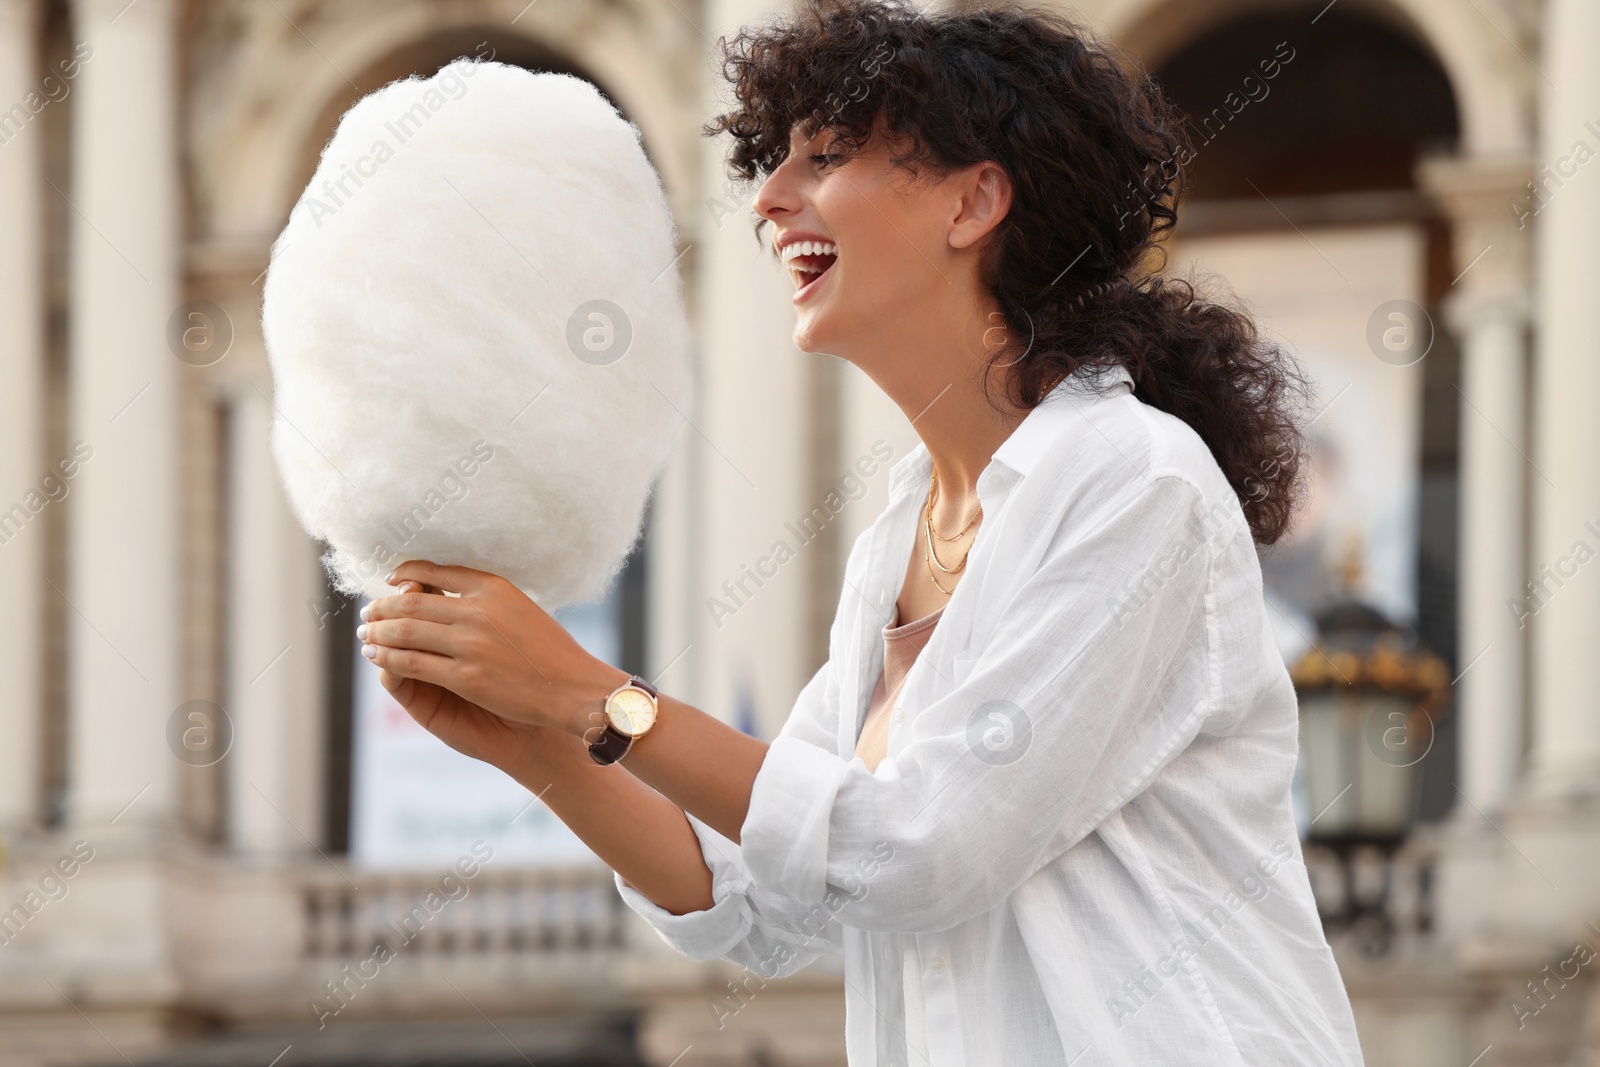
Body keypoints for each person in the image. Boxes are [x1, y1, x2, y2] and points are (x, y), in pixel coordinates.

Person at [356, 0, 1366, 1062]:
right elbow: (755, 900)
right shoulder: (900, 533)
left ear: (976, 199)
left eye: (825, 157)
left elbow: (927, 846)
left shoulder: (1132, 478)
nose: (769, 200)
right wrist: (540, 742)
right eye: (772, 164)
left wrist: (583, 689)